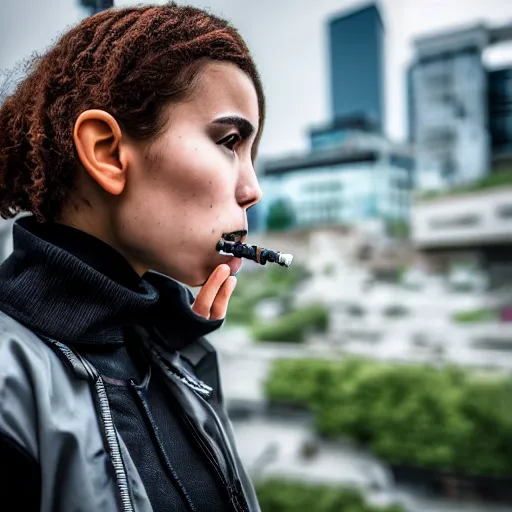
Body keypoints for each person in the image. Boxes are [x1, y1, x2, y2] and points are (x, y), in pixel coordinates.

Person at [0, 4, 265, 511]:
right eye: (229, 141)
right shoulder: (10, 387)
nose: (252, 189)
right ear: (106, 152)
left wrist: (177, 346)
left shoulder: (169, 352)